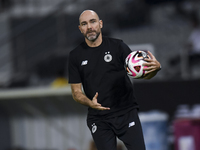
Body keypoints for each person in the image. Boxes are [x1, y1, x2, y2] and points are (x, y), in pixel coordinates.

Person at [68, 10, 161, 150]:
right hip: (99, 118)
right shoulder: (75, 56)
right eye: (84, 24)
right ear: (80, 29)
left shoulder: (118, 46)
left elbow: (140, 73)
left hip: (126, 112)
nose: (89, 27)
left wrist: (154, 69)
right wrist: (89, 102)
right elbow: (76, 92)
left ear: (100, 24)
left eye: (93, 22)